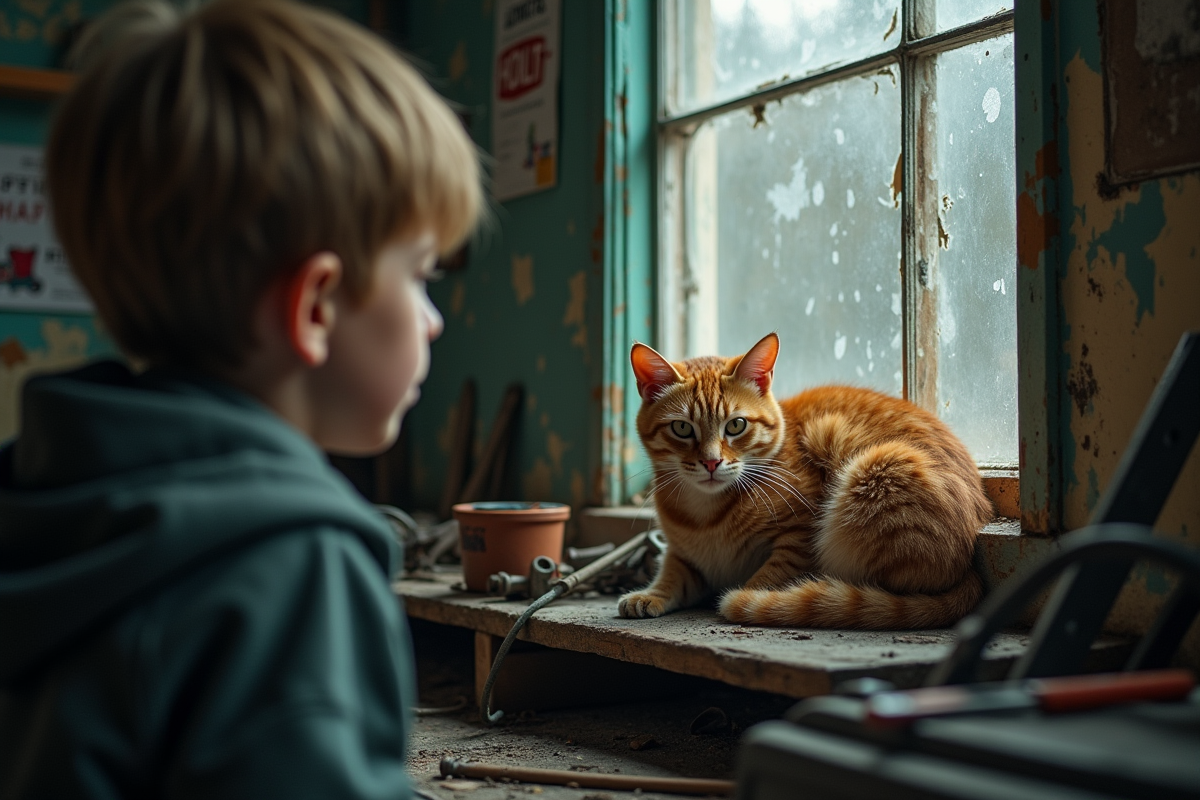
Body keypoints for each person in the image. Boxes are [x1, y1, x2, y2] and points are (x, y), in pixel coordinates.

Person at [0, 0, 481, 796]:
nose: (431, 322)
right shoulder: (291, 563)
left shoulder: (42, 504)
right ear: (317, 306)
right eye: (422, 274)